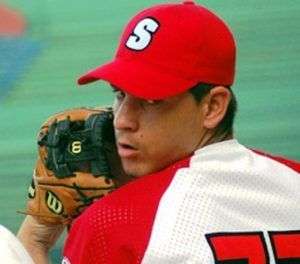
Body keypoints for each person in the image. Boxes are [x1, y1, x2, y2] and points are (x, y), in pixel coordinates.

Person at [18, 1, 300, 263]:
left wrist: (35, 237)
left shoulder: (112, 224)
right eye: (120, 94)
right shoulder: (293, 181)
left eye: (151, 100)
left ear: (213, 106)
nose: (122, 120)